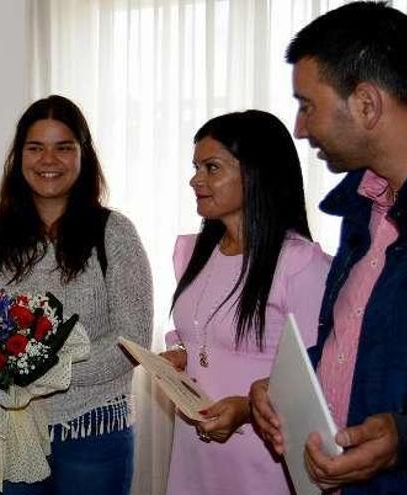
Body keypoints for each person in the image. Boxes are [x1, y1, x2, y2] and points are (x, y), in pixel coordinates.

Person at [248, 2, 407, 494]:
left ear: (366, 104)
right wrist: (286, 387)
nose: (299, 127)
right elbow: (366, 342)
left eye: (307, 104)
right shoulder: (365, 204)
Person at [0, 95, 152, 495]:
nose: (48, 159)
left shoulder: (115, 233)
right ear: (19, 157)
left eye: (63, 147)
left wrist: (48, 370)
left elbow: (133, 339)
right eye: (35, 148)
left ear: (83, 156)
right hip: (11, 431)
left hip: (94, 430)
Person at [160, 110, 330, 495]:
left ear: (255, 174)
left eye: (211, 167)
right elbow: (196, 333)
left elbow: (316, 376)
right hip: (194, 453)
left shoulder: (299, 264)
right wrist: (179, 353)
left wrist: (246, 408)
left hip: (263, 460)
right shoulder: (191, 252)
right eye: (196, 167)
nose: (195, 179)